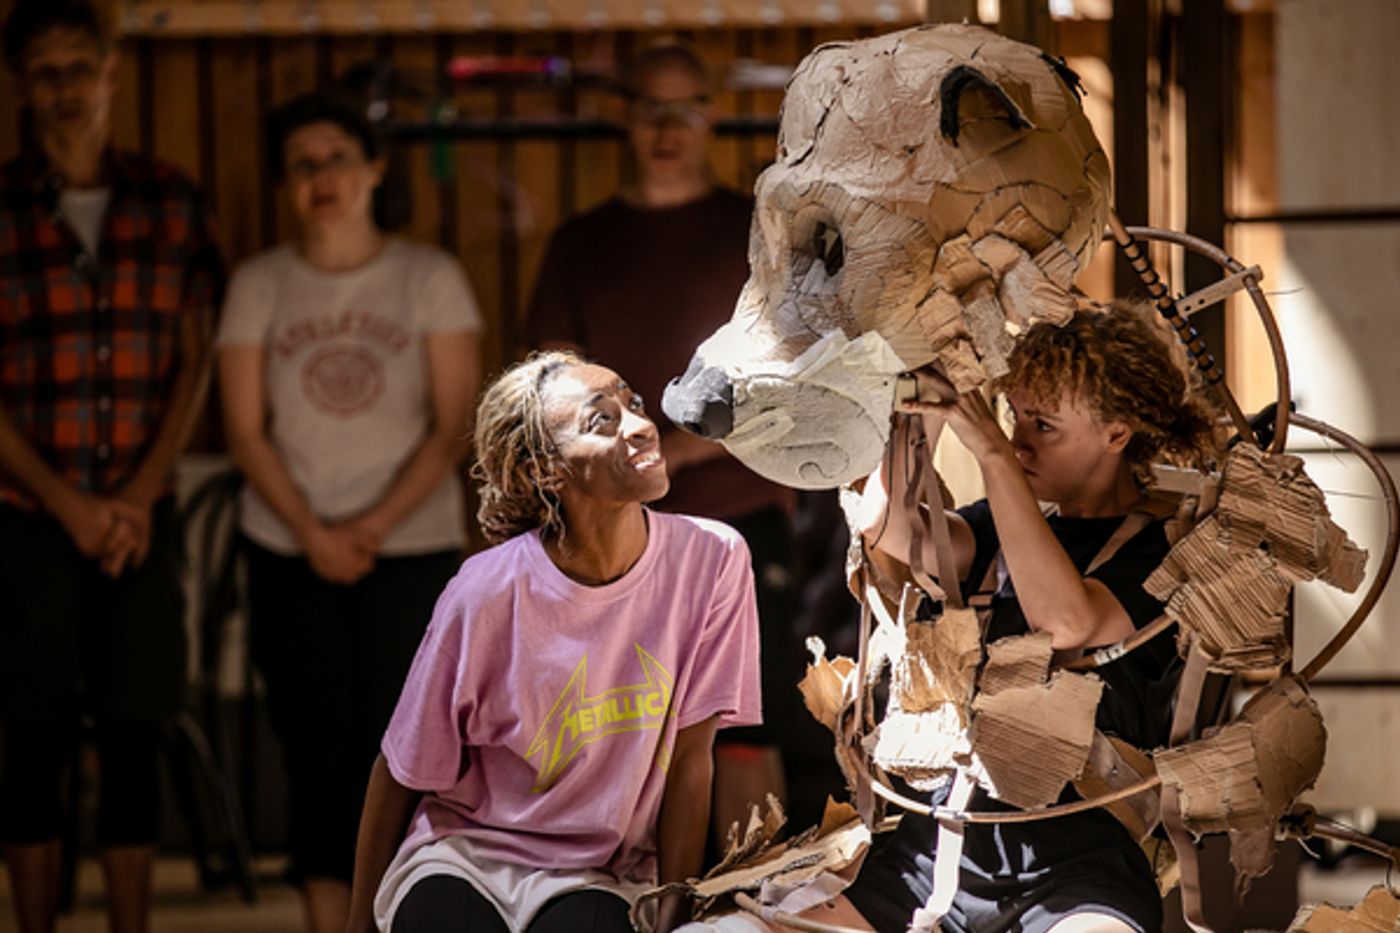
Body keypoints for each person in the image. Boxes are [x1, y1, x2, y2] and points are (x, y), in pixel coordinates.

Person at [689, 303, 1221, 933]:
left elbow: (1069, 623)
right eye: (1013, 417)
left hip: (1077, 868)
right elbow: (891, 533)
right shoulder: (1006, 524)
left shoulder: (1165, 548)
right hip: (929, 857)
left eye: (1043, 426)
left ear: (1117, 433)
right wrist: (924, 412)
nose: (1021, 440)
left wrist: (995, 456)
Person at [525, 40, 834, 845]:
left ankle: (745, 898)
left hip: (740, 519)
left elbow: (806, 377)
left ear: (711, 116)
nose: (667, 127)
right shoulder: (582, 242)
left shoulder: (754, 231)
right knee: (628, 726)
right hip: (616, 531)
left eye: (686, 108)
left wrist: (685, 447)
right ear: (625, 119)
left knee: (741, 729)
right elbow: (547, 389)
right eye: (650, 108)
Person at [345, 352, 762, 933]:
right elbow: (399, 771)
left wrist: (672, 910)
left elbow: (692, 761)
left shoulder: (714, 561)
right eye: (602, 420)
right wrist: (356, 926)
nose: (641, 425)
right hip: (468, 852)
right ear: (547, 471)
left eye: (633, 404)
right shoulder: (485, 591)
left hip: (600, 871)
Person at [216, 92, 482, 933]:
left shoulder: (428, 275)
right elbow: (244, 432)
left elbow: (451, 426)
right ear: (286, 185)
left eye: (335, 158)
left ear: (372, 170)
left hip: (409, 549)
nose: (320, 178)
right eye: (301, 165)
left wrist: (368, 528)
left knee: (408, 753)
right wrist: (314, 534)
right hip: (288, 549)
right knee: (312, 752)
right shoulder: (260, 283)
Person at [0, 1, 223, 930]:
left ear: (109, 76)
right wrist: (66, 502)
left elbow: (197, 351)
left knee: (136, 723)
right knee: (32, 730)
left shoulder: (170, 197)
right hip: (23, 510)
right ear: (21, 84)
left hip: (145, 505)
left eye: (75, 69)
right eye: (42, 72)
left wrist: (134, 492)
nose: (61, 89)